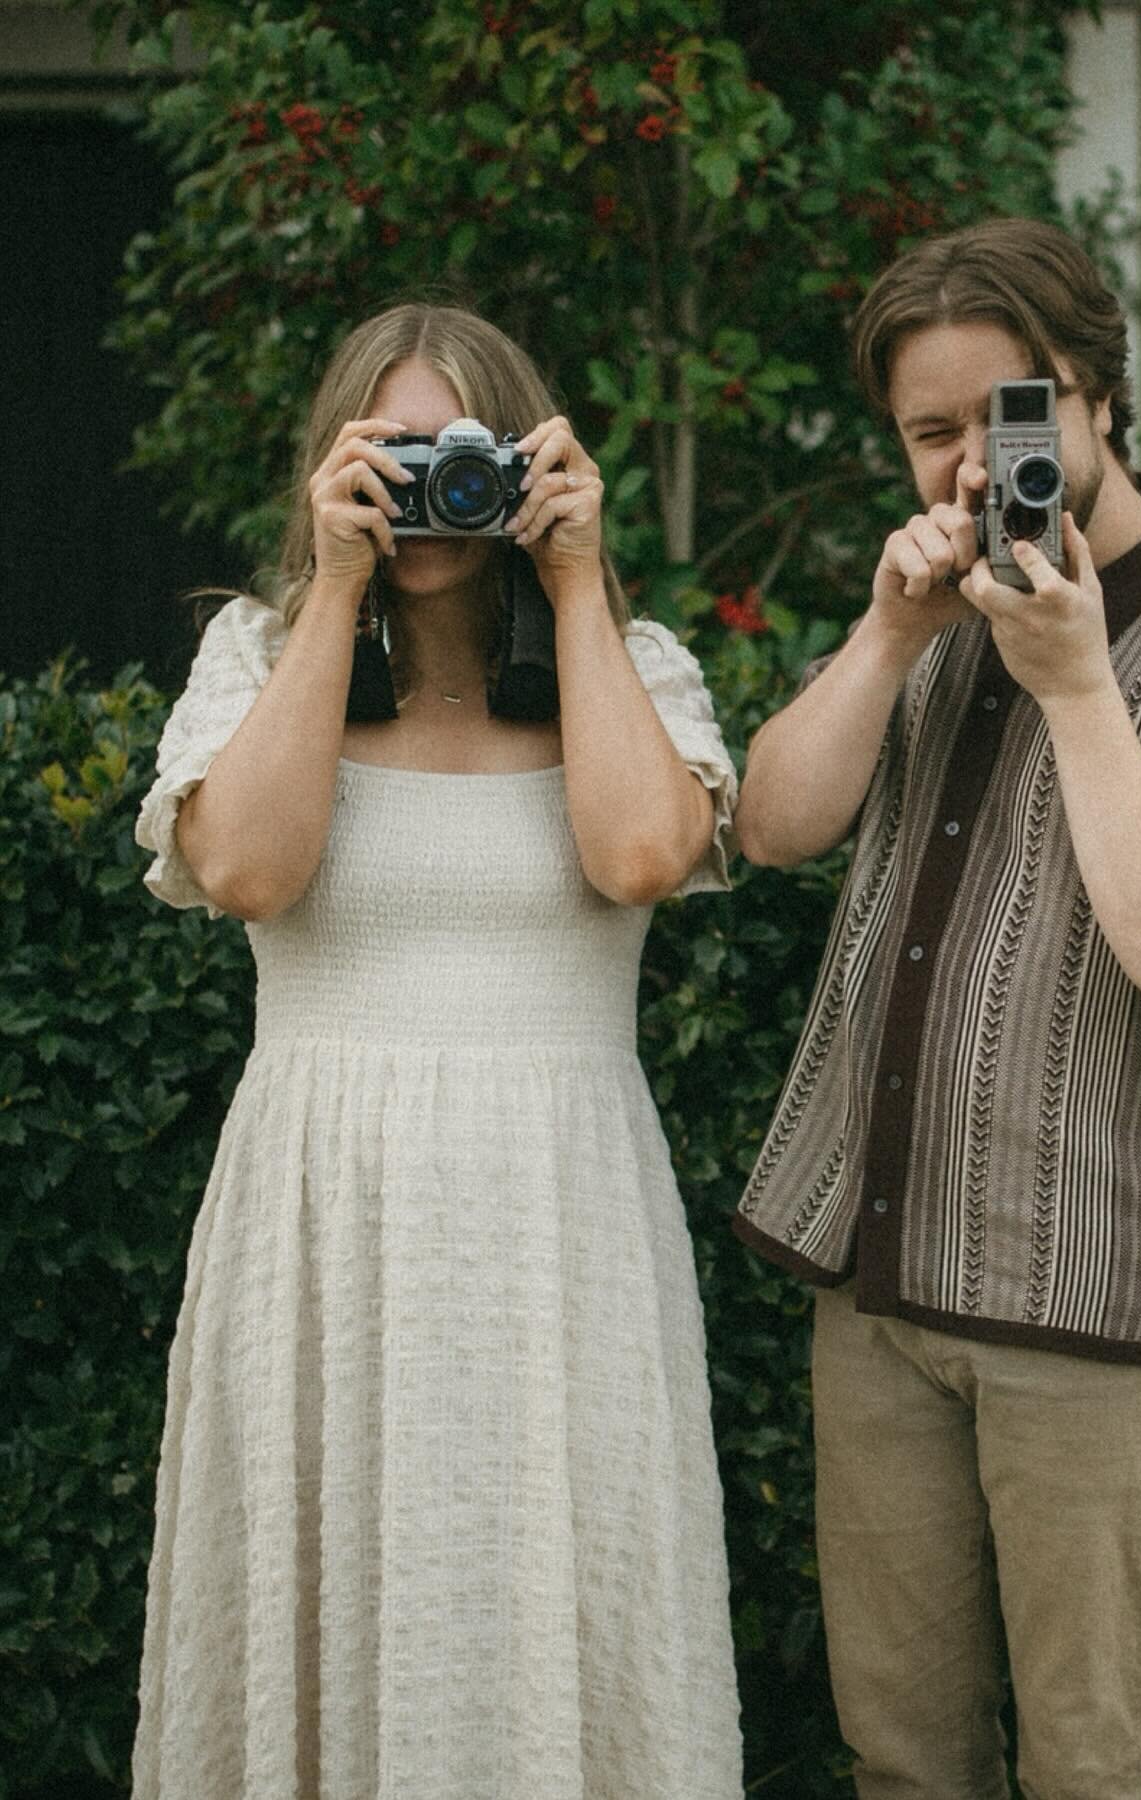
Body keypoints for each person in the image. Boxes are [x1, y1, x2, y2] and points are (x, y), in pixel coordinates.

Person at [732, 218, 1141, 1800]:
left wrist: (1079, 682)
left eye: (1005, 415)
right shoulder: (937, 610)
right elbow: (771, 824)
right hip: (881, 1289)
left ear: (1096, 396)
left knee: (1086, 1767)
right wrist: (888, 634)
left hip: (1101, 1310)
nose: (964, 462)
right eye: (928, 433)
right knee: (903, 1762)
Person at [133, 303, 744, 1799]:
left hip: (565, 1228)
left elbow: (644, 852)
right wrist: (334, 587)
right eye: (390, 455)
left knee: (566, 1608)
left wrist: (580, 578)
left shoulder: (636, 663)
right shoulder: (258, 658)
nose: (425, 492)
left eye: (456, 453)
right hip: (322, 1227)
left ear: (530, 461)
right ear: (334, 467)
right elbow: (252, 875)